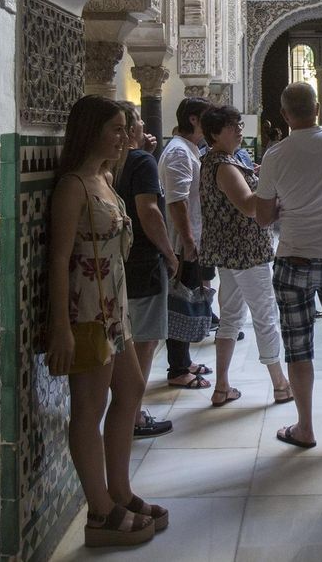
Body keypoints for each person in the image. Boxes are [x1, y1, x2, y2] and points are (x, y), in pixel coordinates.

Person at [45, 95, 164, 547]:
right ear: (91, 131)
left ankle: (120, 492)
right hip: (87, 311)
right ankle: (99, 511)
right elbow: (59, 260)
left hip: (114, 309)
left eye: (124, 128)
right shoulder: (73, 186)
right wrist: (60, 326)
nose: (124, 136)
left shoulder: (106, 179)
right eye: (115, 129)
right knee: (88, 407)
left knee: (131, 389)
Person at [253, 82, 322, 449]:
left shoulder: (274, 155)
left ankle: (305, 428)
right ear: (317, 109)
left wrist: (285, 205)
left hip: (294, 260)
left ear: (285, 115)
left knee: (298, 349)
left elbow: (263, 217)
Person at [198, 105, 294, 406]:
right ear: (215, 133)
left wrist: (257, 176)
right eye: (232, 126)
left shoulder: (218, 160)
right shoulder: (224, 165)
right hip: (246, 253)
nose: (239, 130)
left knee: (230, 317)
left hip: (230, 252)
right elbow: (250, 206)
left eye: (239, 124)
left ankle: (222, 386)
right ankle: (280, 384)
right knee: (265, 316)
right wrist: (274, 187)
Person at [111, 101, 179, 439]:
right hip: (143, 262)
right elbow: (149, 211)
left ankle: (125, 410)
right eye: (137, 119)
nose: (142, 124)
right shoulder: (140, 162)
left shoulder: (114, 162)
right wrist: (169, 252)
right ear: (129, 128)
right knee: (145, 340)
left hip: (117, 263)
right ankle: (134, 414)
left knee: (126, 337)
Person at [158, 97, 214, 389]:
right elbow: (177, 201)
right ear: (193, 119)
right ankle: (178, 369)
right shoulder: (179, 152)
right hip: (182, 242)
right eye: (208, 117)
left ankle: (185, 361)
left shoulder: (188, 149)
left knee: (188, 298)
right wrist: (188, 241)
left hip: (190, 240)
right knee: (180, 302)